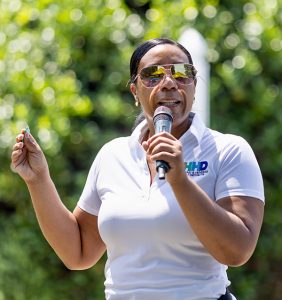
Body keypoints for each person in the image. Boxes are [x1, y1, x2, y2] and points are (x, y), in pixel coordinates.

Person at [11, 38, 265, 300]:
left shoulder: (228, 149)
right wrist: (38, 180)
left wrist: (180, 182)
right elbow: (79, 252)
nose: (169, 82)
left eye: (181, 73)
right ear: (135, 91)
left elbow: (237, 251)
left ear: (194, 85)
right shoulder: (113, 155)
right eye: (153, 75)